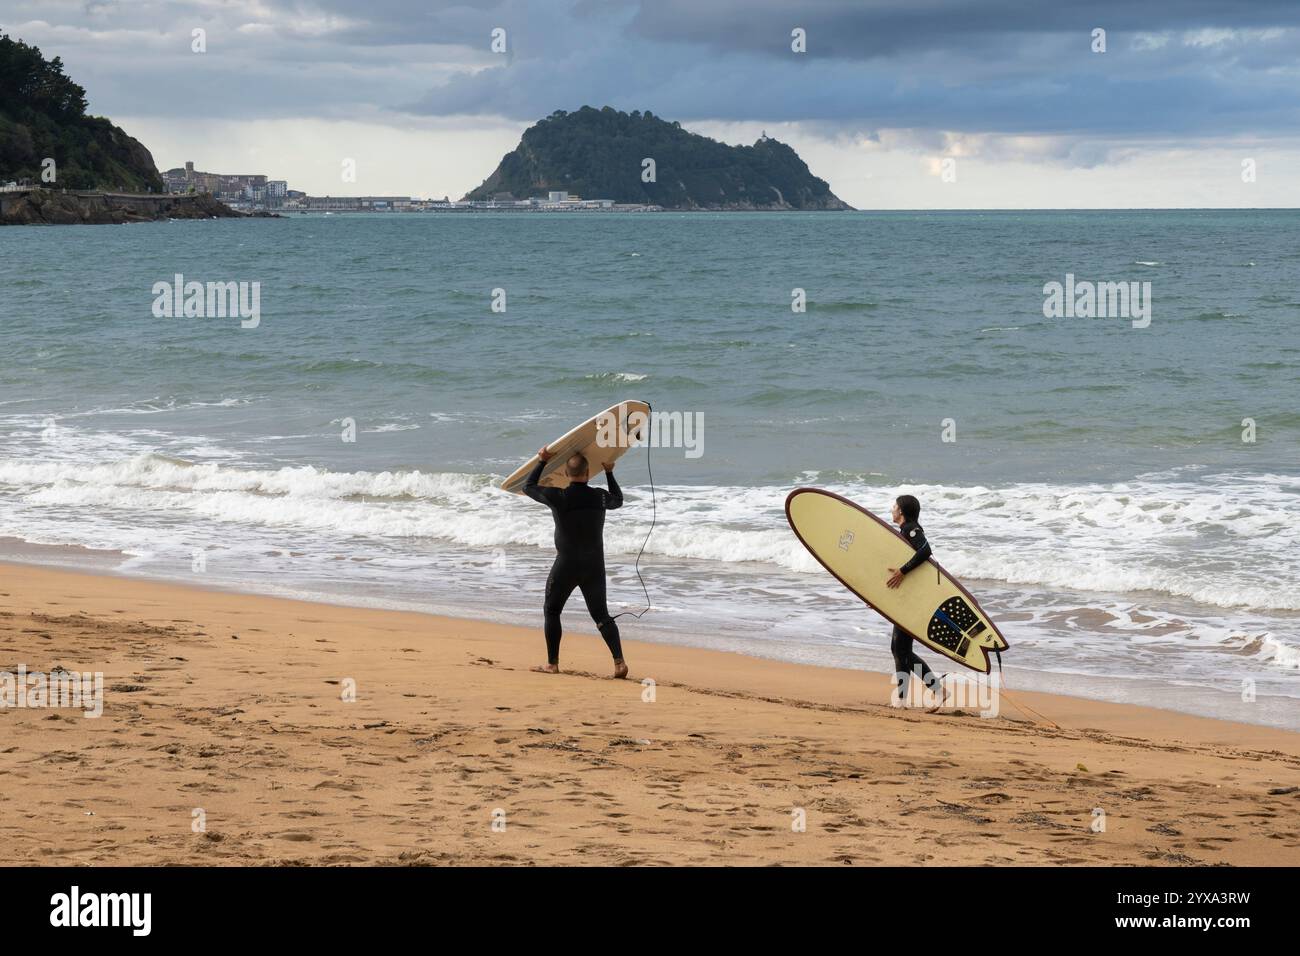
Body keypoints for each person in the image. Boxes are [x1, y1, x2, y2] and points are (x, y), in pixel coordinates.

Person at [523, 447, 628, 678]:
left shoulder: (557, 496)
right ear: (588, 472)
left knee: (552, 610)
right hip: (594, 566)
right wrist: (610, 473)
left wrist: (542, 460)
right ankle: (619, 663)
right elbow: (618, 500)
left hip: (567, 565)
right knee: (601, 616)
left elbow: (527, 487)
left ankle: (552, 664)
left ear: (566, 474)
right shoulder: (599, 496)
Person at [885, 494, 947, 710]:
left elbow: (925, 551)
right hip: (906, 599)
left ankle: (937, 690)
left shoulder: (912, 529)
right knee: (898, 648)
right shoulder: (902, 532)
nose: (891, 509)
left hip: (914, 601)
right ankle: (902, 698)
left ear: (901, 511)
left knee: (900, 649)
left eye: (894, 506)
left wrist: (903, 570)